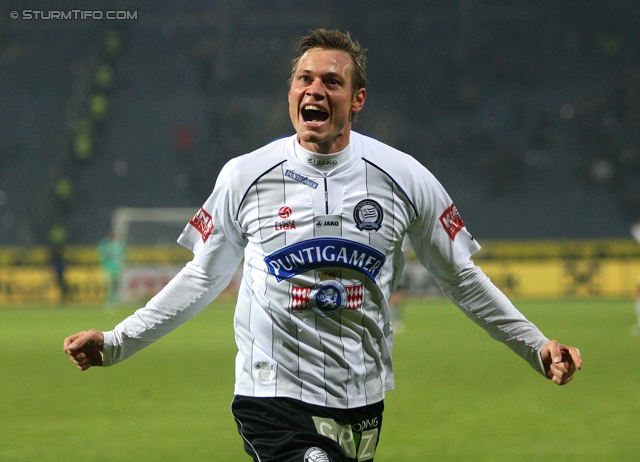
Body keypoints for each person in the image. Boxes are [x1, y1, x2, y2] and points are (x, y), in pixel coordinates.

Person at [64, 29, 582, 462]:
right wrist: (115, 343)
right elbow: (203, 276)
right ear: (290, 93)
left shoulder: (405, 178)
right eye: (303, 79)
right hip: (272, 397)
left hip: (362, 400)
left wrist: (536, 346)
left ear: (356, 99)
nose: (314, 89)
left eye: (332, 81)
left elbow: (462, 279)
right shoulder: (245, 175)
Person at [96, 232, 126, 304]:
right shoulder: (105, 245)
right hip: (108, 268)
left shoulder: (119, 246)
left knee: (115, 285)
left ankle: (114, 300)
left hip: (117, 268)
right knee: (109, 285)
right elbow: (101, 255)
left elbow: (124, 255)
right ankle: (109, 301)